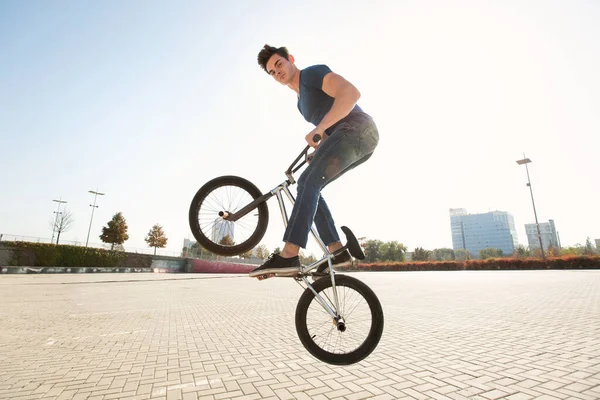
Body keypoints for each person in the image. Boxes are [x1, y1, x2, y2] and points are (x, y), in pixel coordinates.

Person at [249, 45, 379, 278]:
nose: (277, 72)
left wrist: (319, 129)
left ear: (290, 59)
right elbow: (330, 126)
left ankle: (289, 254)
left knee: (308, 182)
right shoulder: (301, 104)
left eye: (279, 64)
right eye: (271, 72)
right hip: (354, 138)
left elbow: (350, 93)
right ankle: (337, 251)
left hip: (359, 128)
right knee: (311, 184)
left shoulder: (311, 74)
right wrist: (319, 147)